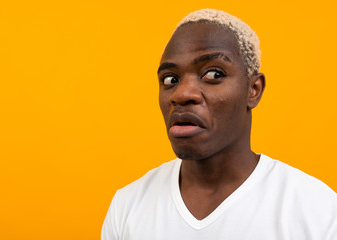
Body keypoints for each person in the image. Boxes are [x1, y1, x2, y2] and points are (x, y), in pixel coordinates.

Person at [101, 9, 337, 239]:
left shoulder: (317, 210)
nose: (181, 94)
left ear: (253, 90)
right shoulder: (127, 206)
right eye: (170, 79)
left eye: (213, 74)